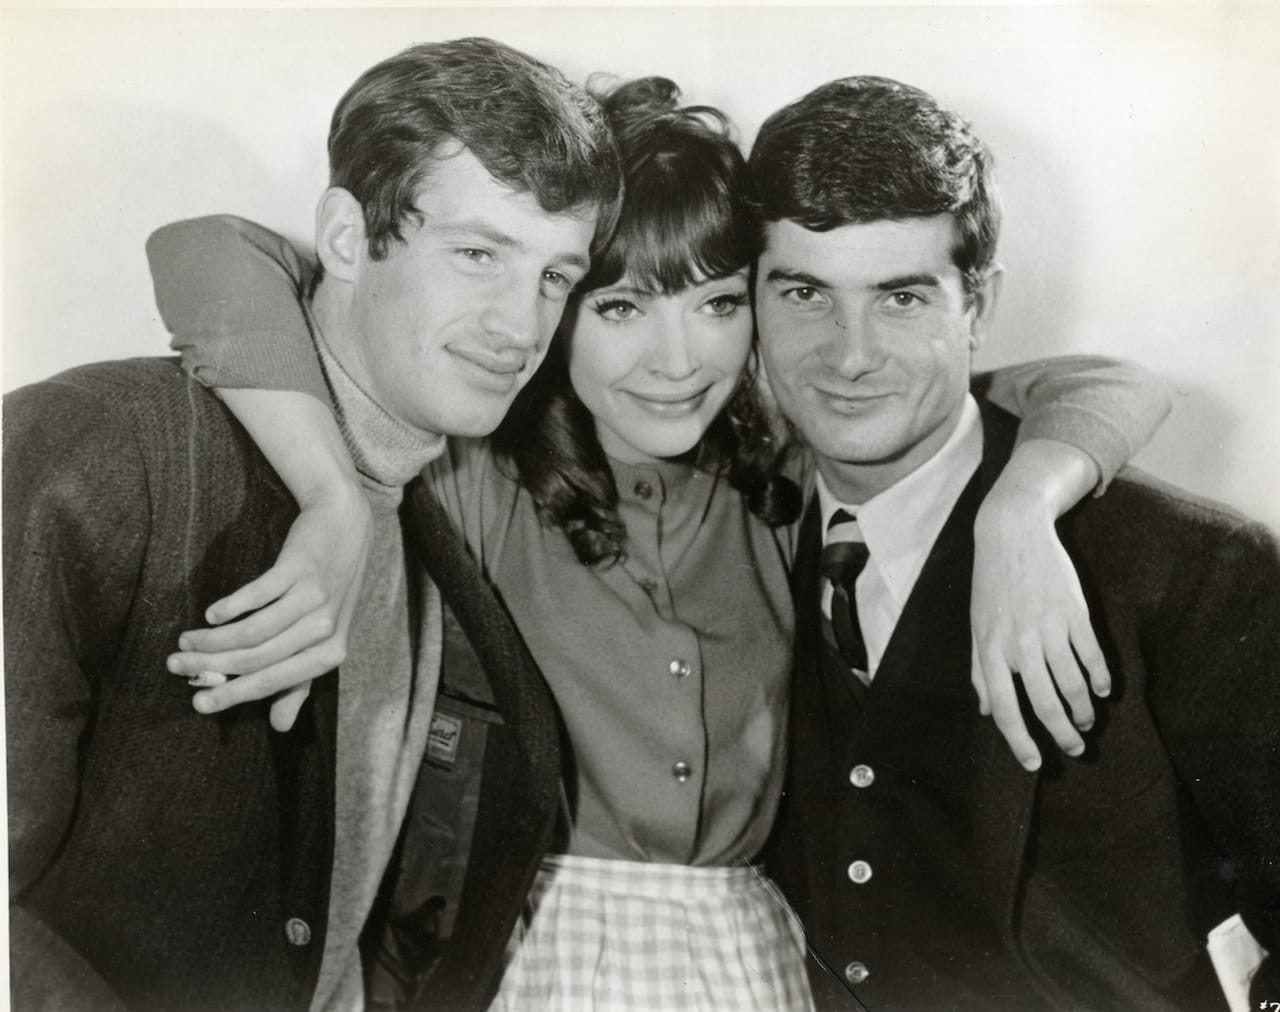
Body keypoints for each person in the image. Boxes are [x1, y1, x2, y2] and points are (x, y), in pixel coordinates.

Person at [143, 75, 1172, 1009]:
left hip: (756, 955)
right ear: (556, 306)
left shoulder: (778, 471)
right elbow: (206, 249)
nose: (677, 361)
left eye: (719, 303)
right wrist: (330, 498)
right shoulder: (475, 469)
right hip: (532, 956)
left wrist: (1017, 509)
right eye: (622, 306)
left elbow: (1106, 386)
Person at [3, 37, 621, 1012]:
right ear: (343, 237)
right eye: (476, 254)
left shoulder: (441, 544)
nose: (519, 323)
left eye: (555, 275)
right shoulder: (102, 450)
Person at [749, 75, 1280, 1011]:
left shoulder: (1188, 568)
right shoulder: (728, 535)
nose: (849, 352)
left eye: (902, 297)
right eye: (804, 293)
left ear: (978, 305)